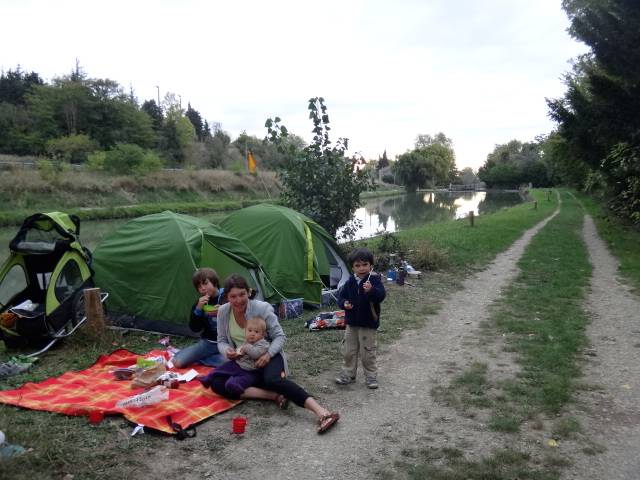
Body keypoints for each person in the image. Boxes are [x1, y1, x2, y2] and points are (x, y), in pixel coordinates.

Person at [209, 274, 340, 434]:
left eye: (242, 294)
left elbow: (280, 336)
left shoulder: (262, 308)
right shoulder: (223, 311)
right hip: (244, 361)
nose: (238, 300)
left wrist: (268, 355)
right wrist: (227, 351)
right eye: (233, 296)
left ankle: (322, 412)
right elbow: (221, 340)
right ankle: (273, 396)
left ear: (249, 292)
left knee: (273, 380)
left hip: (267, 353)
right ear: (226, 297)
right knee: (216, 382)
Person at [335, 248, 386, 389]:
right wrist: (344, 304)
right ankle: (348, 374)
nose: (361, 268)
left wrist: (371, 290)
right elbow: (341, 297)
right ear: (352, 268)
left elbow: (381, 296)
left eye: (365, 265)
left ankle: (371, 376)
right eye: (357, 265)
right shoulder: (350, 282)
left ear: (371, 266)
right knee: (348, 350)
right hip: (352, 324)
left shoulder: (374, 280)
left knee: (367, 352)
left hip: (368, 324)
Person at [198, 316, 270, 396]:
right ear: (245, 331)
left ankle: (234, 386)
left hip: (251, 370)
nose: (252, 334)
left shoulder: (263, 344)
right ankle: (208, 378)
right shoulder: (247, 341)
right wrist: (236, 353)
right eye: (250, 331)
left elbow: (256, 354)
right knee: (223, 368)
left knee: (243, 379)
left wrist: (246, 348)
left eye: (256, 332)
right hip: (238, 364)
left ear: (263, 335)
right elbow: (240, 349)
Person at [172, 268, 225, 368]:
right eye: (199, 286)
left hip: (227, 343)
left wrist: (224, 309)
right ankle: (202, 357)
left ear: (214, 282)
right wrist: (198, 309)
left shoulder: (227, 296)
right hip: (209, 343)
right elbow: (195, 328)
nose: (203, 288)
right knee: (177, 362)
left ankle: (200, 359)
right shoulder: (199, 303)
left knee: (229, 362)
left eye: (205, 283)